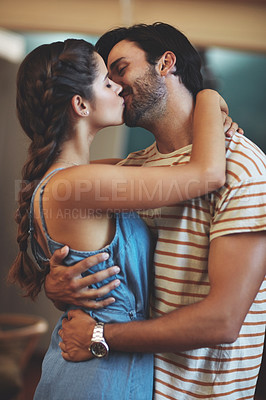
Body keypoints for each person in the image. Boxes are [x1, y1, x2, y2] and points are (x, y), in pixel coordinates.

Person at [45, 23, 266, 400]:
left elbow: (224, 320)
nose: (114, 85)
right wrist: (59, 287)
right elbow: (106, 276)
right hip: (127, 385)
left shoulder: (242, 166)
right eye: (107, 77)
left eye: (120, 68)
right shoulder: (132, 170)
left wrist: (100, 336)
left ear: (165, 63)